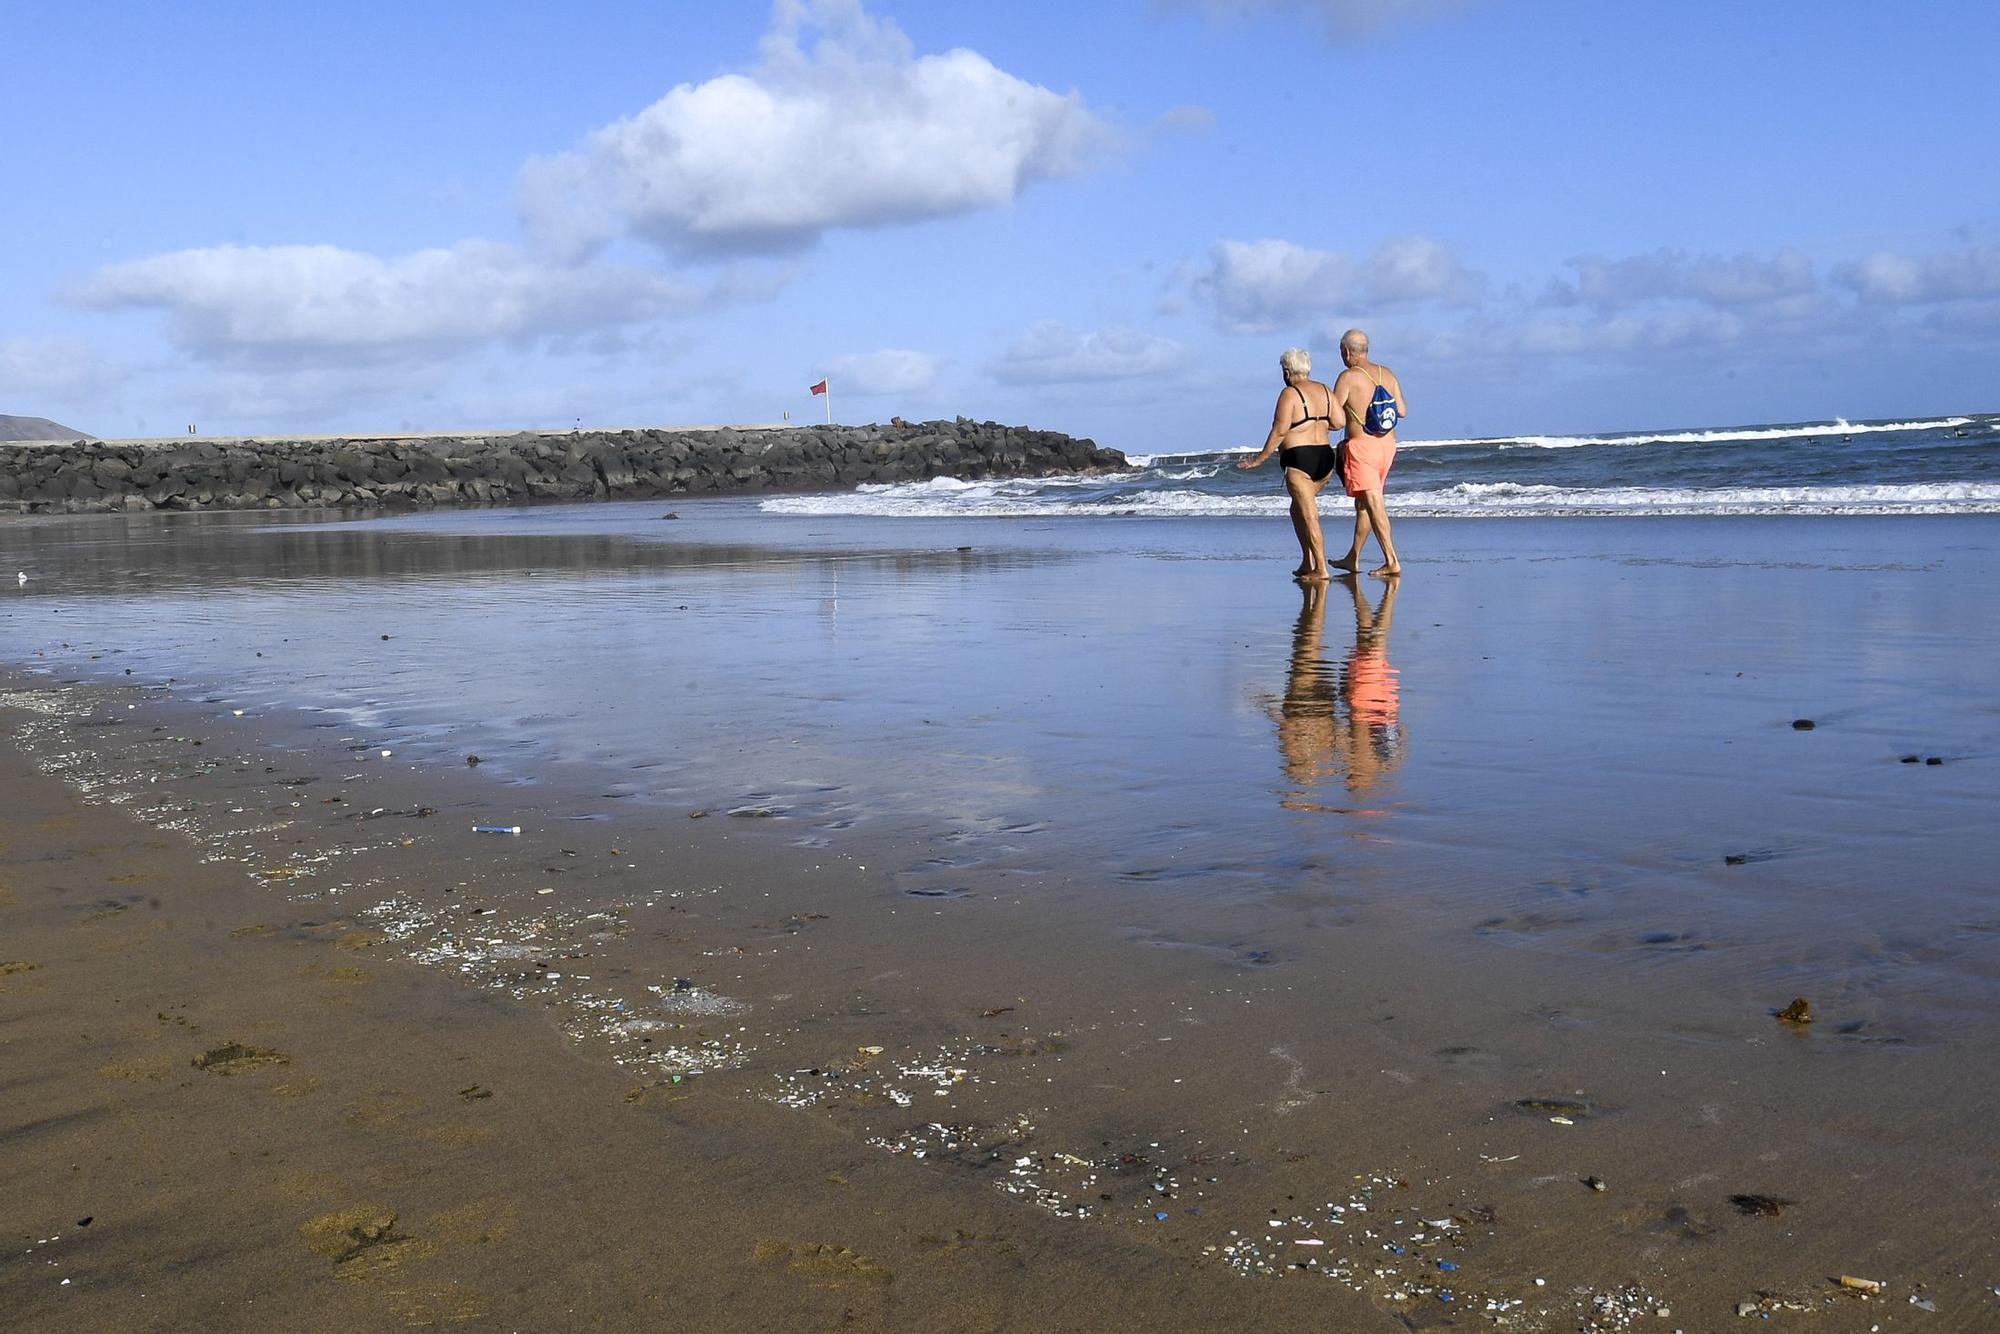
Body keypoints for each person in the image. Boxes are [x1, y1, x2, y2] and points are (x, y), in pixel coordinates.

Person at [1236, 347, 1341, 581]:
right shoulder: (1325, 390)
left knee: (1310, 515)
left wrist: (1259, 459)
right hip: (1325, 457)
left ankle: (1321, 568)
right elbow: (1339, 421)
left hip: (1299, 459)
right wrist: (1316, 423)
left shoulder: (1289, 394)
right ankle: (1307, 561)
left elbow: (1280, 429)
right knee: (1297, 509)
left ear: (1287, 371)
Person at [1326, 329, 1407, 578]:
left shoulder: (1348, 377)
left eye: (1342, 353)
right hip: (1388, 446)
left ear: (1348, 352)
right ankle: (1353, 558)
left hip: (1362, 447)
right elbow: (1402, 411)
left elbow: (1335, 418)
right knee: (1364, 505)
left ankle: (1392, 560)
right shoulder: (1388, 373)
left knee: (1373, 503)